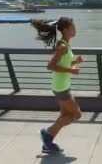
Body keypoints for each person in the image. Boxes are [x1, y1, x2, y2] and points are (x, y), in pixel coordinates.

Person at [31, 17, 83, 154]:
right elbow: (51, 66)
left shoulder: (66, 44)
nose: (75, 30)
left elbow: (62, 64)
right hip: (61, 87)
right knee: (76, 115)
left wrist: (74, 62)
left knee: (66, 115)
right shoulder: (62, 46)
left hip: (62, 85)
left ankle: (47, 143)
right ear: (65, 30)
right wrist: (71, 70)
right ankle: (46, 133)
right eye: (73, 27)